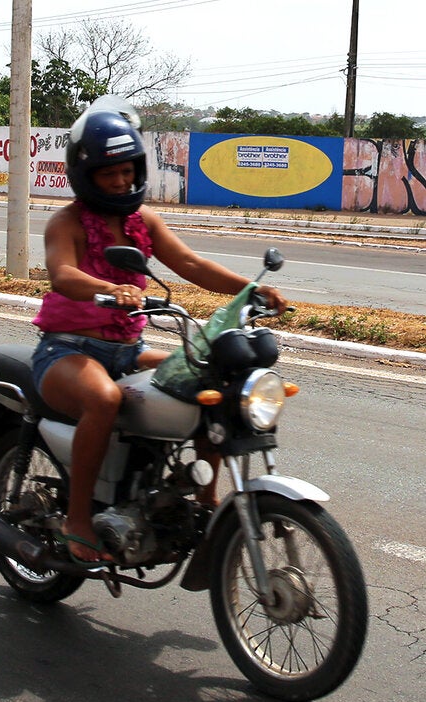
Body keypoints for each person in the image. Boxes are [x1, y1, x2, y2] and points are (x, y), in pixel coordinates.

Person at [30, 104, 287, 566]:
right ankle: (78, 518)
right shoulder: (65, 222)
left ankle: (206, 504)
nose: (120, 182)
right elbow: (62, 273)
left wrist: (250, 289)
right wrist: (110, 288)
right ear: (86, 174)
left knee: (211, 382)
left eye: (127, 171)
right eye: (108, 174)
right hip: (67, 350)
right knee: (104, 400)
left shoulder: (142, 221)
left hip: (129, 350)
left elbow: (190, 264)